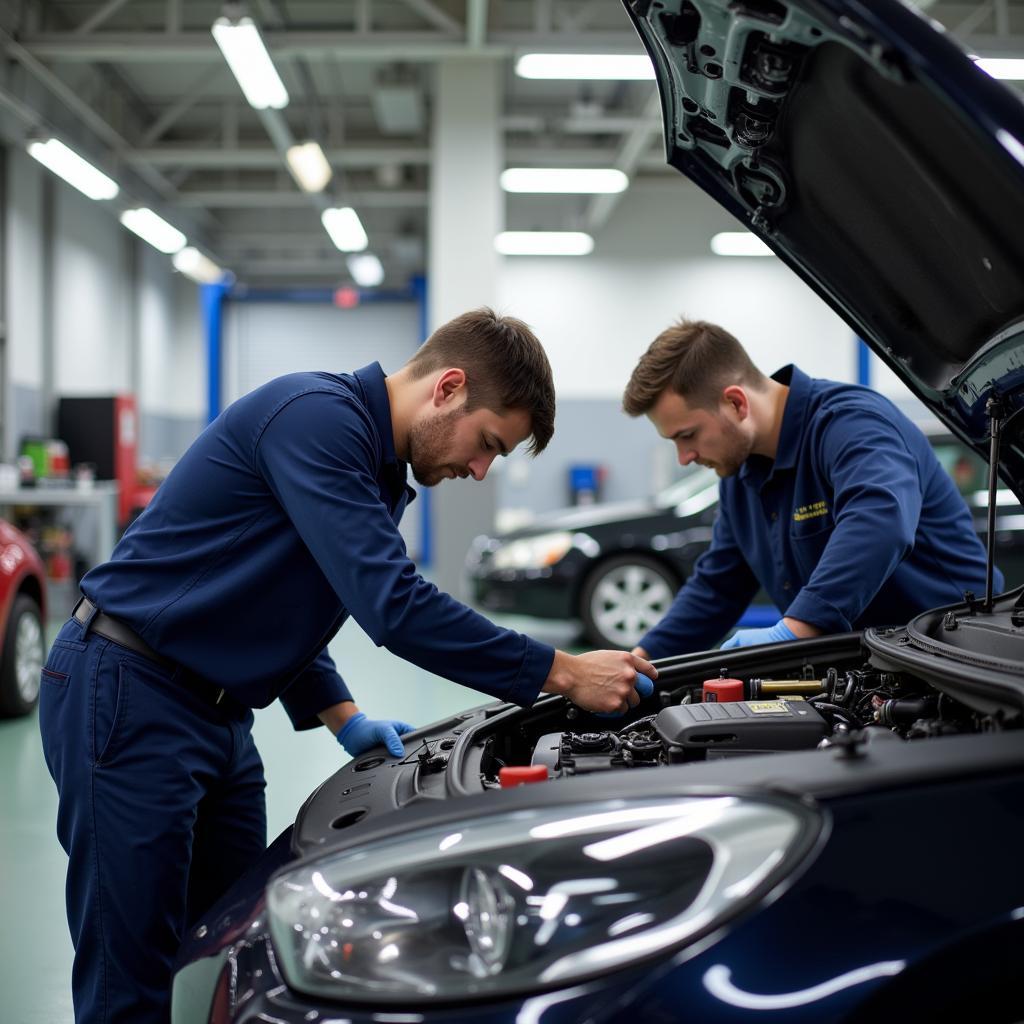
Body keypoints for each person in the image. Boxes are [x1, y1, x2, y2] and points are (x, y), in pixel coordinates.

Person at [39, 308, 656, 1024]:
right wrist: (564, 673)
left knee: (221, 951)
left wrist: (344, 717)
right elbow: (393, 605)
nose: (481, 469)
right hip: (128, 690)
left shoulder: (375, 462)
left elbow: (286, 591)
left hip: (218, 716)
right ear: (447, 387)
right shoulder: (317, 419)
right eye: (488, 443)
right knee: (131, 974)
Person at [622, 319, 999, 660]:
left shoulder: (851, 423)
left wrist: (794, 631)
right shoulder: (740, 478)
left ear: (736, 402)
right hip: (867, 667)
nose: (684, 457)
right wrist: (639, 662)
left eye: (687, 436)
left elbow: (880, 520)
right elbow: (716, 587)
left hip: (956, 653)